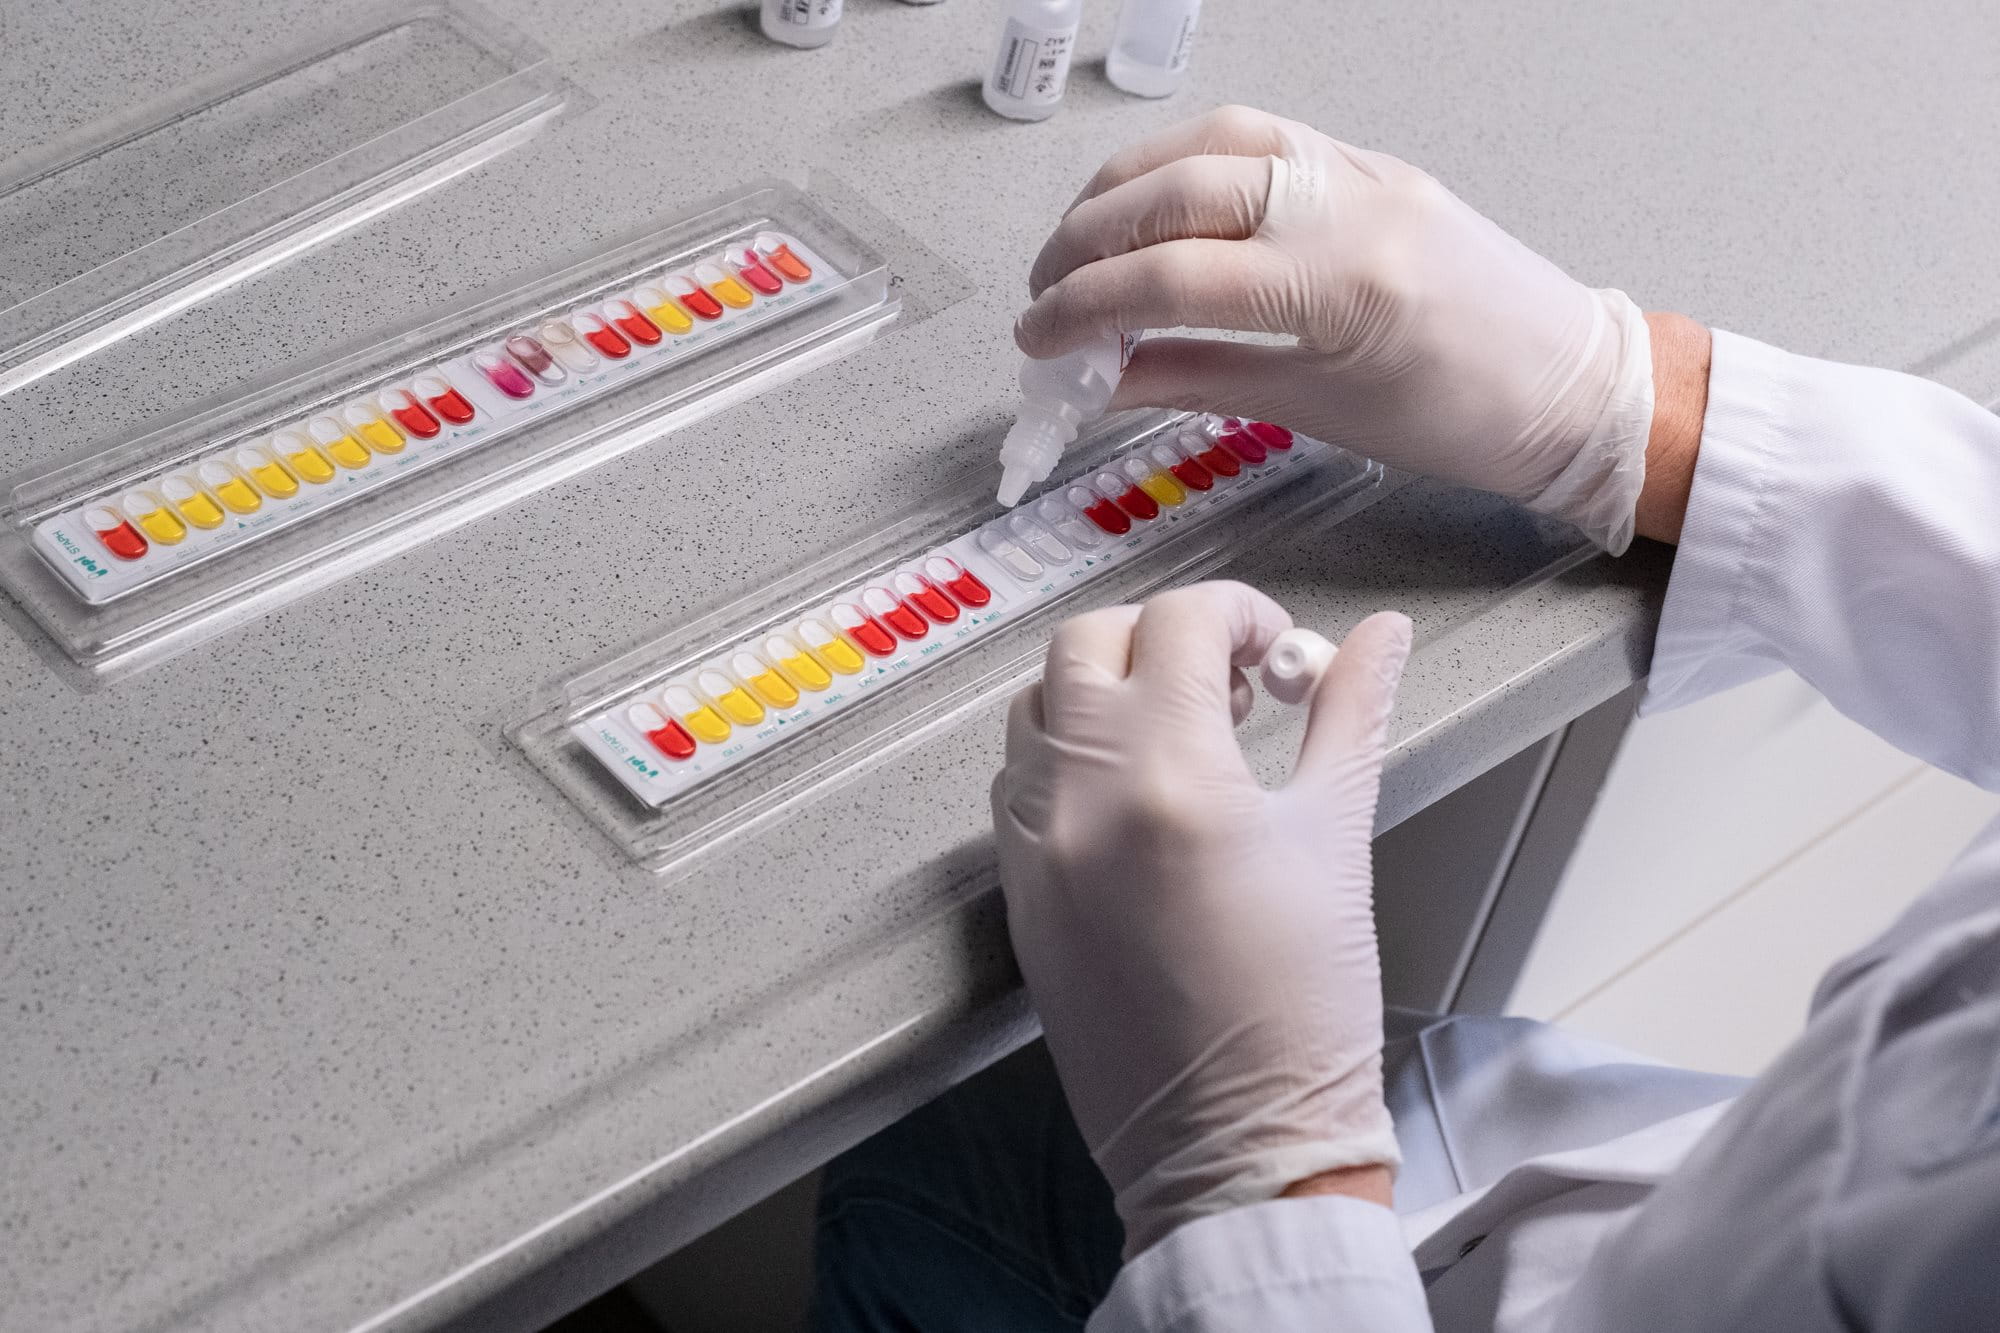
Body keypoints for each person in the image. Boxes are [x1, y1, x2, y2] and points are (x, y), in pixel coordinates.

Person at [811, 105, 2000, 1331]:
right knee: (935, 1167)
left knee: (921, 1210)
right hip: (1666, 1194)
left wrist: (1260, 1187)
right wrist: (1645, 408)